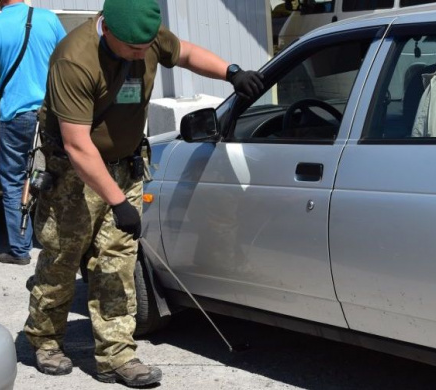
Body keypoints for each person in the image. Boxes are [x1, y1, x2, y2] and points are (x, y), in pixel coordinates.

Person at [23, 0, 264, 387]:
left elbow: (184, 52)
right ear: (108, 30)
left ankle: (115, 356)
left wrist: (231, 73)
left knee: (116, 260)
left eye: (146, 47)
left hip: (125, 165)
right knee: (62, 259)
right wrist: (117, 202)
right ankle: (46, 340)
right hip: (72, 174)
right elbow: (76, 144)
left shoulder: (144, 37)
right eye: (133, 49)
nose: (142, 55)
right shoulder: (75, 59)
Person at [0, 0, 67, 265]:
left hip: (16, 116)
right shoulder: (49, 19)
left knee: (16, 179)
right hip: (53, 113)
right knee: (56, 173)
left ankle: (19, 249)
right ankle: (64, 241)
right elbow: (67, 59)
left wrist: (2, 81)